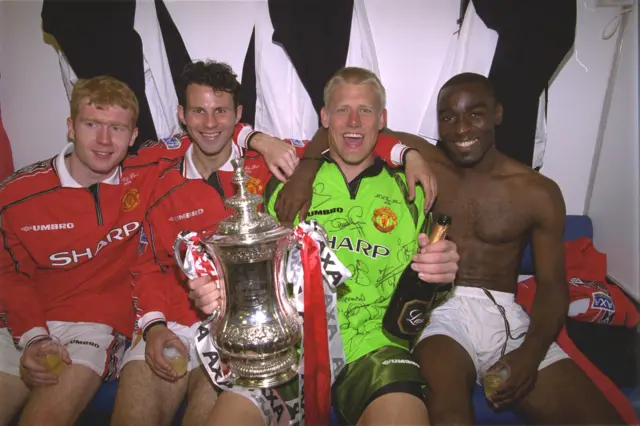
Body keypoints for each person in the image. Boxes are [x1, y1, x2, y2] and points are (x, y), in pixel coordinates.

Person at [277, 72, 624, 425]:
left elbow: (552, 284)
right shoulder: (427, 162)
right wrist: (306, 174)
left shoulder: (538, 191)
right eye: (448, 117)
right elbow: (343, 130)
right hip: (439, 310)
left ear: (497, 114)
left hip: (505, 314)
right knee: (447, 413)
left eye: (475, 114)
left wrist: (531, 355)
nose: (461, 129)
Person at [109, 60, 436, 426]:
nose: (211, 122)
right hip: (277, 345)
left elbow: (352, 133)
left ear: (239, 116)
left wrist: (406, 152)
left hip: (371, 348)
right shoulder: (160, 168)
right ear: (181, 116)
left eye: (221, 111)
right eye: (198, 111)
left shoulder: (280, 165)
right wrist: (164, 319)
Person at [187, 66, 460, 426]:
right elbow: (250, 269)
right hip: (286, 350)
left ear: (383, 120)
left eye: (365, 111)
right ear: (324, 117)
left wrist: (442, 275)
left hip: (376, 349)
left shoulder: (413, 189)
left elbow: (429, 286)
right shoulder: (286, 185)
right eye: (342, 110)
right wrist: (218, 290)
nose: (353, 122)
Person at [0, 76, 169, 426]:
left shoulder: (144, 174)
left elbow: (206, 129)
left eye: (117, 128)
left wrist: (258, 139)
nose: (105, 141)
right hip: (19, 325)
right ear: (71, 127)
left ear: (133, 136)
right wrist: (32, 337)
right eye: (92, 124)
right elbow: (7, 274)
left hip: (93, 328)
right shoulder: (15, 196)